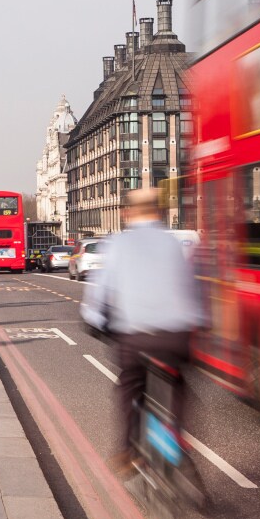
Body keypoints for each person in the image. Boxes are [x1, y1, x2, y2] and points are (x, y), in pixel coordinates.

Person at [80, 188, 206, 476]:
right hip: (176, 335)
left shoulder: (119, 245)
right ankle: (177, 440)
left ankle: (128, 451)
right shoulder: (174, 244)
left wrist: (94, 320)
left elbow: (99, 295)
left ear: (128, 213)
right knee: (179, 386)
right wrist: (200, 320)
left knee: (129, 387)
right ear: (159, 212)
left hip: (135, 337)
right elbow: (194, 289)